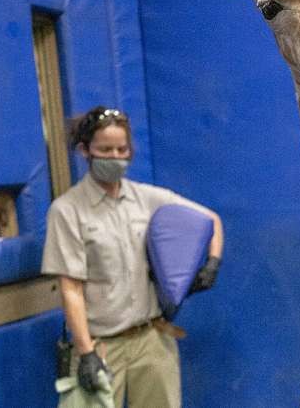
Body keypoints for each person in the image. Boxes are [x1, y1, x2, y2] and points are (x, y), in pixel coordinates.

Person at [41, 106, 224, 407]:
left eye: (122, 149)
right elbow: (70, 289)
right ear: (85, 150)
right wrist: (85, 353)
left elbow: (211, 220)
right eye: (105, 149)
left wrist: (212, 262)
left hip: (151, 339)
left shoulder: (147, 198)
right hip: (100, 346)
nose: (115, 157)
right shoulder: (67, 211)